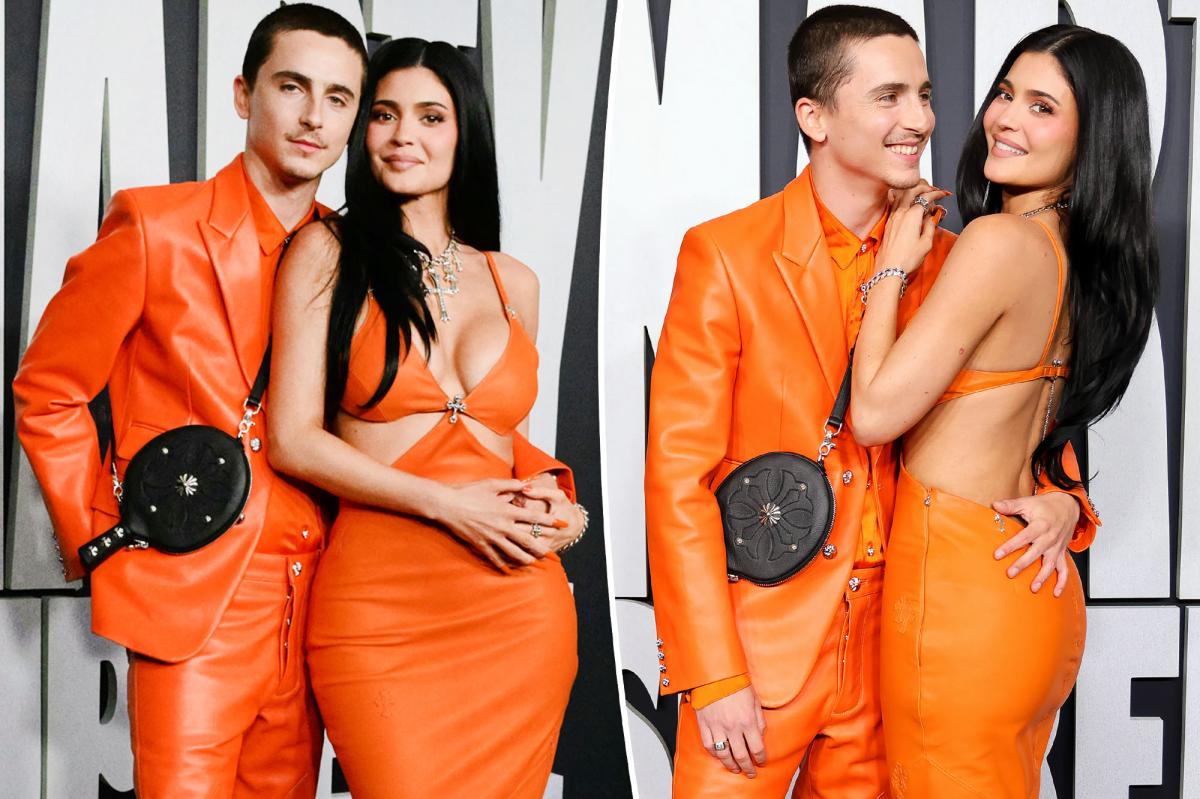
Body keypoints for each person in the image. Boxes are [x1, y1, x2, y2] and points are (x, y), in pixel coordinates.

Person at [644, 7, 1100, 797]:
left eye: (924, 94)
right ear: (813, 117)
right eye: (889, 98)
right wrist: (713, 672)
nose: (920, 120)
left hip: (903, 653)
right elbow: (678, 478)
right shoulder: (726, 254)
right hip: (761, 648)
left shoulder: (958, 260)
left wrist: (1063, 499)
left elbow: (1024, 414)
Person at [12, 6, 366, 797]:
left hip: (320, 601)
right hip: (192, 591)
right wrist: (105, 537)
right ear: (243, 94)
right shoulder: (156, 226)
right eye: (293, 86)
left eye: (340, 98)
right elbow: (49, 389)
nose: (315, 115)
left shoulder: (353, 256)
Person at [267, 37, 586, 798]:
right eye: (383, 114)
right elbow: (292, 438)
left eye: (431, 115)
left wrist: (559, 506)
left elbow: (497, 437)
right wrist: (448, 505)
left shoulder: (515, 283)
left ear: (464, 132)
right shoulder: (324, 251)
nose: (404, 134)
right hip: (381, 613)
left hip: (517, 611)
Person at [852, 25, 1157, 797]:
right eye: (1005, 93)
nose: (1006, 117)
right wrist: (1068, 500)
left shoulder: (998, 243)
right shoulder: (1084, 260)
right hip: (1030, 594)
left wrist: (890, 263)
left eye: (1043, 107)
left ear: (1094, 140)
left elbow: (876, 413)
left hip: (960, 588)